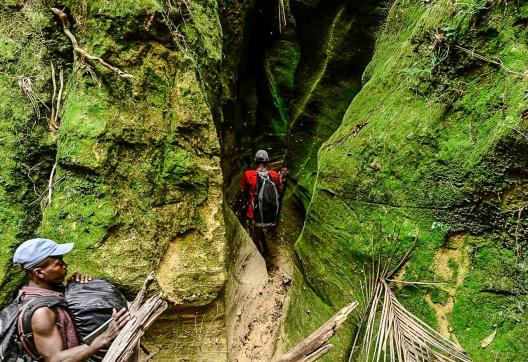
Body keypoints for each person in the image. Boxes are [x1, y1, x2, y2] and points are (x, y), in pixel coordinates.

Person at [12, 238, 130, 362]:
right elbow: (55, 359)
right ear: (39, 273)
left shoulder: (46, 292)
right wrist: (102, 340)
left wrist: (77, 287)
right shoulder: (41, 313)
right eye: (59, 263)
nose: (65, 265)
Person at [240, 150, 288, 254]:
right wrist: (280, 177)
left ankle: (259, 251)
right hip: (270, 214)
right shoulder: (273, 174)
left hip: (253, 214)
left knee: (254, 232)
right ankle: (267, 250)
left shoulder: (248, 174)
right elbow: (279, 189)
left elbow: (243, 191)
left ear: (255, 161)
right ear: (267, 161)